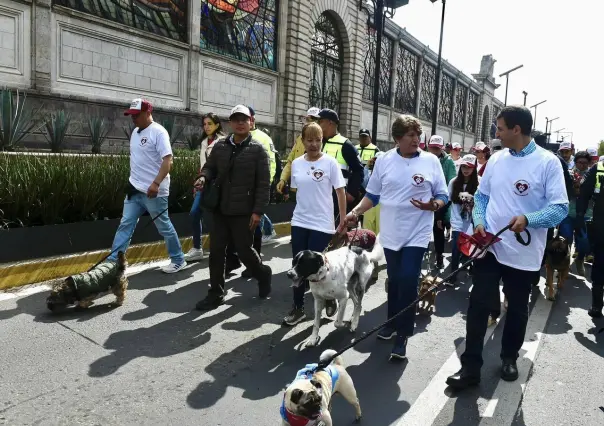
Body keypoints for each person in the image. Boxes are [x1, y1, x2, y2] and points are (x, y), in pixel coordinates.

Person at [446, 105, 568, 390]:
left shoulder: (548, 162)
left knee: (516, 309)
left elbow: (560, 209)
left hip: (524, 255)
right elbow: (482, 196)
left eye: (500, 128)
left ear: (516, 129)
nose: (496, 133)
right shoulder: (497, 159)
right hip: (490, 248)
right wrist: (478, 221)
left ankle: (509, 357)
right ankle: (470, 367)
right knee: (478, 304)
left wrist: (529, 219)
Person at [340, 114, 448, 360]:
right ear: (398, 138)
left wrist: (433, 205)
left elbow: (443, 194)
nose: (416, 140)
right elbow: (373, 195)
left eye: (418, 135)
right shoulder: (385, 161)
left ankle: (403, 334)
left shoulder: (431, 161)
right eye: (410, 135)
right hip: (391, 232)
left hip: (418, 232)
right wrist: (356, 212)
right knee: (396, 279)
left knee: (409, 278)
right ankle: (390, 322)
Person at [194, 105, 272, 310]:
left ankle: (263, 273)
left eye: (243, 119)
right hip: (220, 209)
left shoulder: (258, 151)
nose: (239, 123)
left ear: (251, 123)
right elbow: (209, 167)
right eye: (235, 119)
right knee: (217, 252)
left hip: (244, 212)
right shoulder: (220, 146)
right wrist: (203, 177)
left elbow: (263, 185)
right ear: (230, 123)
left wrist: (258, 212)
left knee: (245, 252)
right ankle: (216, 293)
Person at [108, 98, 186, 273]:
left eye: (136, 115)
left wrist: (156, 183)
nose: (133, 119)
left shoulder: (158, 132)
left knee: (163, 226)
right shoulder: (135, 132)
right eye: (131, 115)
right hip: (134, 189)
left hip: (154, 191)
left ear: (148, 113)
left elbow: (168, 161)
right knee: (125, 223)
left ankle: (178, 259)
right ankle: (113, 262)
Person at [282, 122, 347, 325]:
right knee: (298, 267)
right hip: (300, 221)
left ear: (322, 140)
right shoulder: (297, 164)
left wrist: (343, 220)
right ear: (302, 141)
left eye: (318, 140)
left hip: (322, 224)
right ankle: (298, 308)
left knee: (319, 267)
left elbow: (340, 192)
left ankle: (328, 298)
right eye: (309, 140)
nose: (314, 144)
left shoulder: (330, 163)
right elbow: (298, 191)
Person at [318, 108, 365, 318]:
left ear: (330, 123)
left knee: (333, 241)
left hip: (338, 201)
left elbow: (358, 169)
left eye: (321, 122)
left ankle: (334, 288)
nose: (319, 125)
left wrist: (352, 193)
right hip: (320, 200)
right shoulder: (318, 142)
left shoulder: (344, 144)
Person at [184, 113, 225, 262]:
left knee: (216, 218)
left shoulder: (223, 141)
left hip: (218, 185)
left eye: (210, 124)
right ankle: (197, 248)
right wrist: (199, 180)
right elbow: (203, 165)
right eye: (205, 124)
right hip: (204, 183)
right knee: (195, 213)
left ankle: (222, 249)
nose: (206, 127)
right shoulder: (204, 142)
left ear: (217, 125)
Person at [577, 157, 604, 318]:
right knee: (600, 263)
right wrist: (580, 216)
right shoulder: (599, 167)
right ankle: (596, 305)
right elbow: (585, 193)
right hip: (601, 226)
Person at [447, 154, 479, 285]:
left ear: (474, 168)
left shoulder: (479, 183)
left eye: (469, 167)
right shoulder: (454, 182)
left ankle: (471, 270)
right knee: (455, 250)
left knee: (472, 250)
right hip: (457, 223)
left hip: (473, 223)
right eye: (464, 166)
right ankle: (453, 276)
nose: (466, 170)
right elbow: (448, 201)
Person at [276, 107, 322, 194]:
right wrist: (283, 179)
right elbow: (290, 162)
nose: (312, 122)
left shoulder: (322, 141)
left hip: (313, 190)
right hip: (296, 189)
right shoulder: (299, 139)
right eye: (309, 119)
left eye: (315, 119)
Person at [427, 135, 456, 268]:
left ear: (442, 148)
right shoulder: (423, 159)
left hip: (441, 202)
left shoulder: (448, 162)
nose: (434, 151)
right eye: (432, 148)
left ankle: (439, 256)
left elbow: (450, 185)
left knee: (438, 229)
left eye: (437, 149)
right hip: (425, 201)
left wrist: (441, 207)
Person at [565, 151, 593, 276]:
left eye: (585, 163)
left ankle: (580, 259)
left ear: (589, 163)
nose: (582, 165)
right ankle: (564, 265)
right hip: (569, 213)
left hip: (586, 213)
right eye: (579, 162)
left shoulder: (592, 175)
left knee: (585, 242)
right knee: (566, 239)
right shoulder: (569, 174)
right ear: (575, 162)